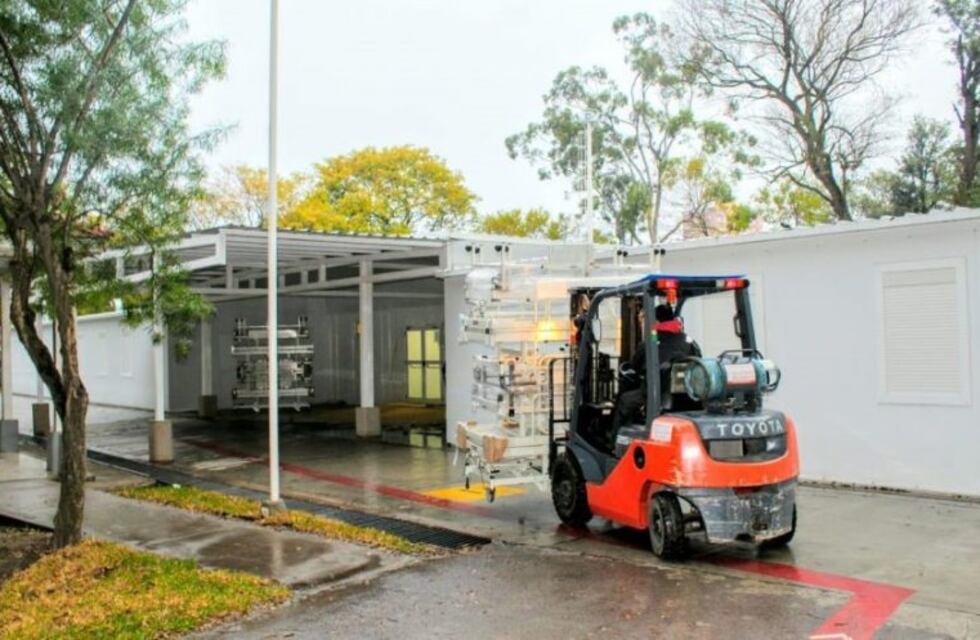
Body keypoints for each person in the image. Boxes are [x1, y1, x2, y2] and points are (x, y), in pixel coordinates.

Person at [612, 304, 700, 437]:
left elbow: (635, 366)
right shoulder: (689, 341)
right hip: (686, 396)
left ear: (657, 321)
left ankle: (615, 440)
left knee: (625, 400)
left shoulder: (651, 342)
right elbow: (698, 361)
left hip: (654, 394)